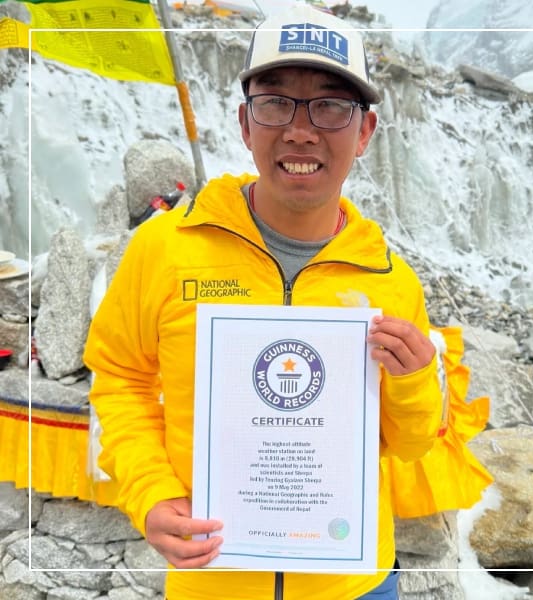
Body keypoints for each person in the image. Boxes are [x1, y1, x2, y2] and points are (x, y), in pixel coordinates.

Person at [84, 4, 443, 599]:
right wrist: (150, 492)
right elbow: (119, 377)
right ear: (246, 125)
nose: (300, 130)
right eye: (275, 103)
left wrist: (413, 380)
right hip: (213, 582)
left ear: (365, 134)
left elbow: (411, 443)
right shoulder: (165, 247)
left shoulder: (391, 279)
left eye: (331, 106)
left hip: (353, 582)